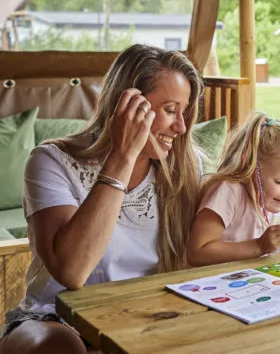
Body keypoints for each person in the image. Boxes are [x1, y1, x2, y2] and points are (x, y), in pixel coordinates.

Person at [0, 44, 203, 354]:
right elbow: (72, 271)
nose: (181, 126)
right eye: (171, 110)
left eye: (184, 111)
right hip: (55, 319)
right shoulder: (51, 161)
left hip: (144, 318)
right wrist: (123, 156)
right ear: (128, 104)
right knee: (59, 347)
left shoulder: (187, 167)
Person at [187, 112, 280, 266]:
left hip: (257, 283)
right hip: (216, 284)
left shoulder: (273, 197)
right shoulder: (227, 191)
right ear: (251, 167)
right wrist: (259, 246)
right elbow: (197, 252)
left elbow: (266, 224)